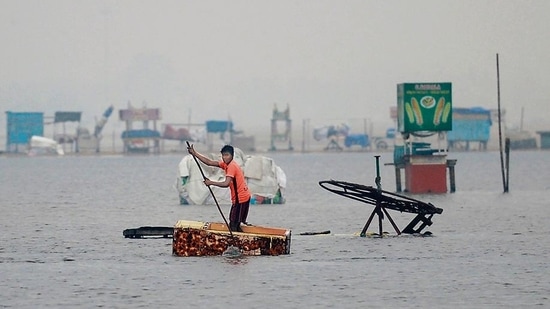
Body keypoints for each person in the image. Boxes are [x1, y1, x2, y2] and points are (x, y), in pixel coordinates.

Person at [187, 144, 251, 232]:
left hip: (241, 198)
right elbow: (209, 162)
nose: (225, 158)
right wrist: (195, 153)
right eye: (223, 155)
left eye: (227, 155)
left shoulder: (232, 166)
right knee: (235, 222)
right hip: (240, 198)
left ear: (232, 156)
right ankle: (239, 238)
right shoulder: (226, 164)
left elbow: (226, 183)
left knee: (233, 223)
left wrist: (211, 182)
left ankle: (236, 242)